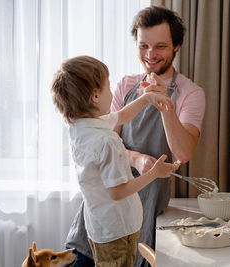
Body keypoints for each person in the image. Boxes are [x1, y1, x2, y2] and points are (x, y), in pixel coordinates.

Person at [65, 6, 205, 267]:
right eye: (144, 46)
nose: (150, 55)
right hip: (103, 205)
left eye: (160, 46)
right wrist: (137, 159)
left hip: (147, 207)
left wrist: (165, 105)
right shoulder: (125, 85)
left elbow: (183, 153)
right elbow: (103, 140)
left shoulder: (190, 93)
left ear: (176, 46)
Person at [50, 55, 180, 267]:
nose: (112, 93)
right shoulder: (106, 141)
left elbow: (120, 116)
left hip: (99, 227)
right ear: (94, 96)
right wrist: (154, 173)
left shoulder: (81, 127)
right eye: (108, 88)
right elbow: (118, 191)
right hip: (118, 231)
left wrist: (146, 99)